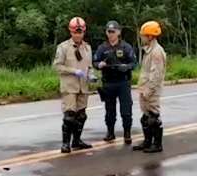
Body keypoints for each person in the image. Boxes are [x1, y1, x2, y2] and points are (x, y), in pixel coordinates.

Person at [53, 17, 93, 153]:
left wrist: (91, 75)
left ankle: (77, 140)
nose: (78, 35)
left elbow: (89, 66)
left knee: (81, 115)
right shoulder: (63, 47)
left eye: (80, 32)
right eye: (75, 32)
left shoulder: (87, 48)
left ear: (84, 32)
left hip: (83, 86)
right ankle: (65, 143)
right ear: (71, 32)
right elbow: (57, 66)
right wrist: (74, 71)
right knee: (70, 116)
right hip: (69, 86)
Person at [93, 20, 137, 144]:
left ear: (118, 32)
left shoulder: (125, 47)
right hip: (109, 82)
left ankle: (127, 133)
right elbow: (95, 61)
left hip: (123, 82)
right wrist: (99, 65)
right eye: (109, 31)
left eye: (113, 31)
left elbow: (134, 63)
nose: (111, 34)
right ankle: (110, 132)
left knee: (126, 110)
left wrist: (126, 67)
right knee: (109, 110)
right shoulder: (103, 47)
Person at [133, 21, 166, 153]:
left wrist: (149, 90)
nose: (142, 37)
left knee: (153, 118)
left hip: (151, 90)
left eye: (144, 35)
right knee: (146, 118)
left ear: (150, 36)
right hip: (145, 88)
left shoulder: (157, 52)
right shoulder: (149, 50)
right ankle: (147, 142)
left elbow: (156, 75)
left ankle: (157, 144)